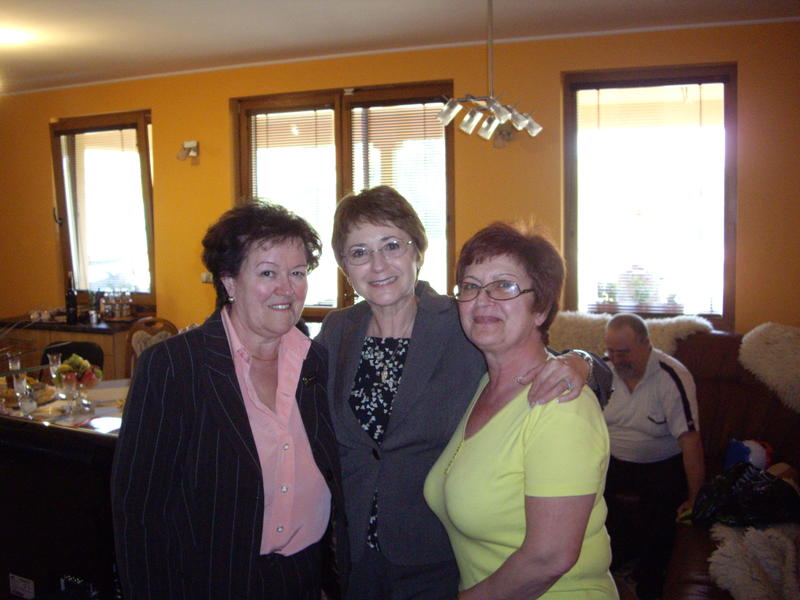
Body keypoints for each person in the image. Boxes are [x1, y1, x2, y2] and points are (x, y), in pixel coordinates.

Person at [316, 186, 610, 599]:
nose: (377, 264)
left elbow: (545, 361)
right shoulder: (337, 330)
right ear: (344, 265)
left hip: (438, 552)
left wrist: (582, 361)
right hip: (355, 550)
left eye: (392, 245)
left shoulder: (464, 317)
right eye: (359, 252)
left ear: (418, 251)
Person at [111, 202, 348, 599]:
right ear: (230, 282)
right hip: (211, 581)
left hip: (304, 577)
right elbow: (141, 512)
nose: (286, 289)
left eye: (297, 273)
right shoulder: (174, 366)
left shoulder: (314, 361)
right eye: (268, 273)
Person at [424, 222, 617, 599]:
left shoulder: (561, 404)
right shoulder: (483, 385)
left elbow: (550, 558)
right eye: (470, 286)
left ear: (540, 307)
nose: (482, 300)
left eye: (504, 286)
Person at [602, 313, 704, 600]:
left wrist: (696, 498)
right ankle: (608, 565)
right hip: (612, 459)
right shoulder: (601, 371)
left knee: (662, 513)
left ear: (646, 344)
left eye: (624, 352)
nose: (616, 359)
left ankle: (649, 582)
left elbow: (690, 440)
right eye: (611, 351)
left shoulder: (672, 376)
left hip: (660, 462)